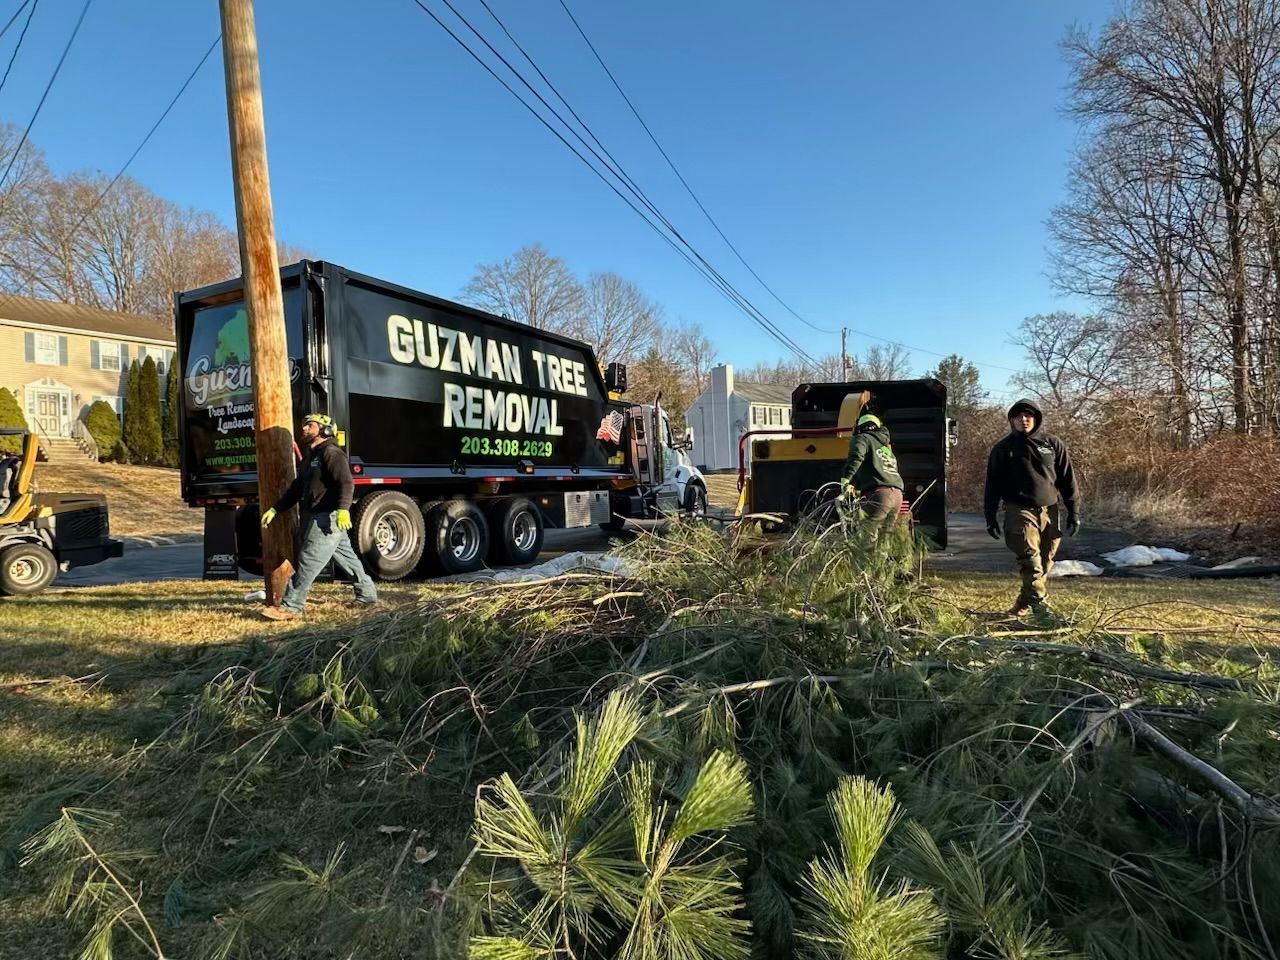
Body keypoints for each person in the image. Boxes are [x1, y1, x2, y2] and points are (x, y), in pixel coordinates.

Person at [259, 413, 377, 621]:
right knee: (347, 558)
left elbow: (346, 483)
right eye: (304, 426)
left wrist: (343, 509)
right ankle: (367, 594)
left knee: (308, 559)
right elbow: (297, 488)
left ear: (325, 429)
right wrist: (276, 508)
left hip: (328, 517)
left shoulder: (331, 453)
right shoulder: (310, 457)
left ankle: (291, 607)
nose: (304, 429)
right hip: (318, 515)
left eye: (310, 426)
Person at [983, 398, 1080, 616]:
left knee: (1045, 563)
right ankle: (1042, 610)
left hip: (1050, 510)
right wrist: (989, 516)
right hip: (1019, 510)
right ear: (1012, 421)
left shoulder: (1052, 444)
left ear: (1036, 419)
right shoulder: (1003, 449)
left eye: (1028, 416)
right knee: (1031, 561)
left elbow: (1067, 480)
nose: (1023, 420)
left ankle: (1022, 605)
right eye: (1018, 417)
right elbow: (992, 485)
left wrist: (1074, 512)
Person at [839, 413, 905, 521]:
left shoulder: (863, 438)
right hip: (897, 496)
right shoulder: (886, 449)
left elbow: (856, 457)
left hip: (879, 495)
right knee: (886, 537)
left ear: (860, 428)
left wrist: (846, 479)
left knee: (866, 534)